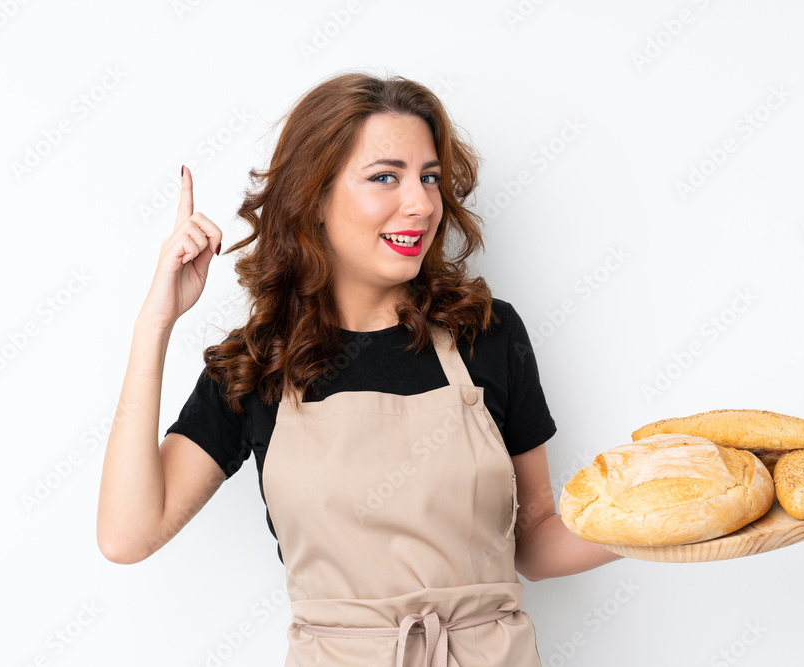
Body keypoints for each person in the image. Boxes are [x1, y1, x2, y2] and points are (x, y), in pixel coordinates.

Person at [97, 70, 623, 666]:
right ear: (314, 197)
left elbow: (536, 538)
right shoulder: (258, 364)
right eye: (385, 178)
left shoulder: (490, 335)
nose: (422, 203)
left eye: (429, 177)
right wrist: (155, 323)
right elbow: (127, 535)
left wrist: (657, 520)